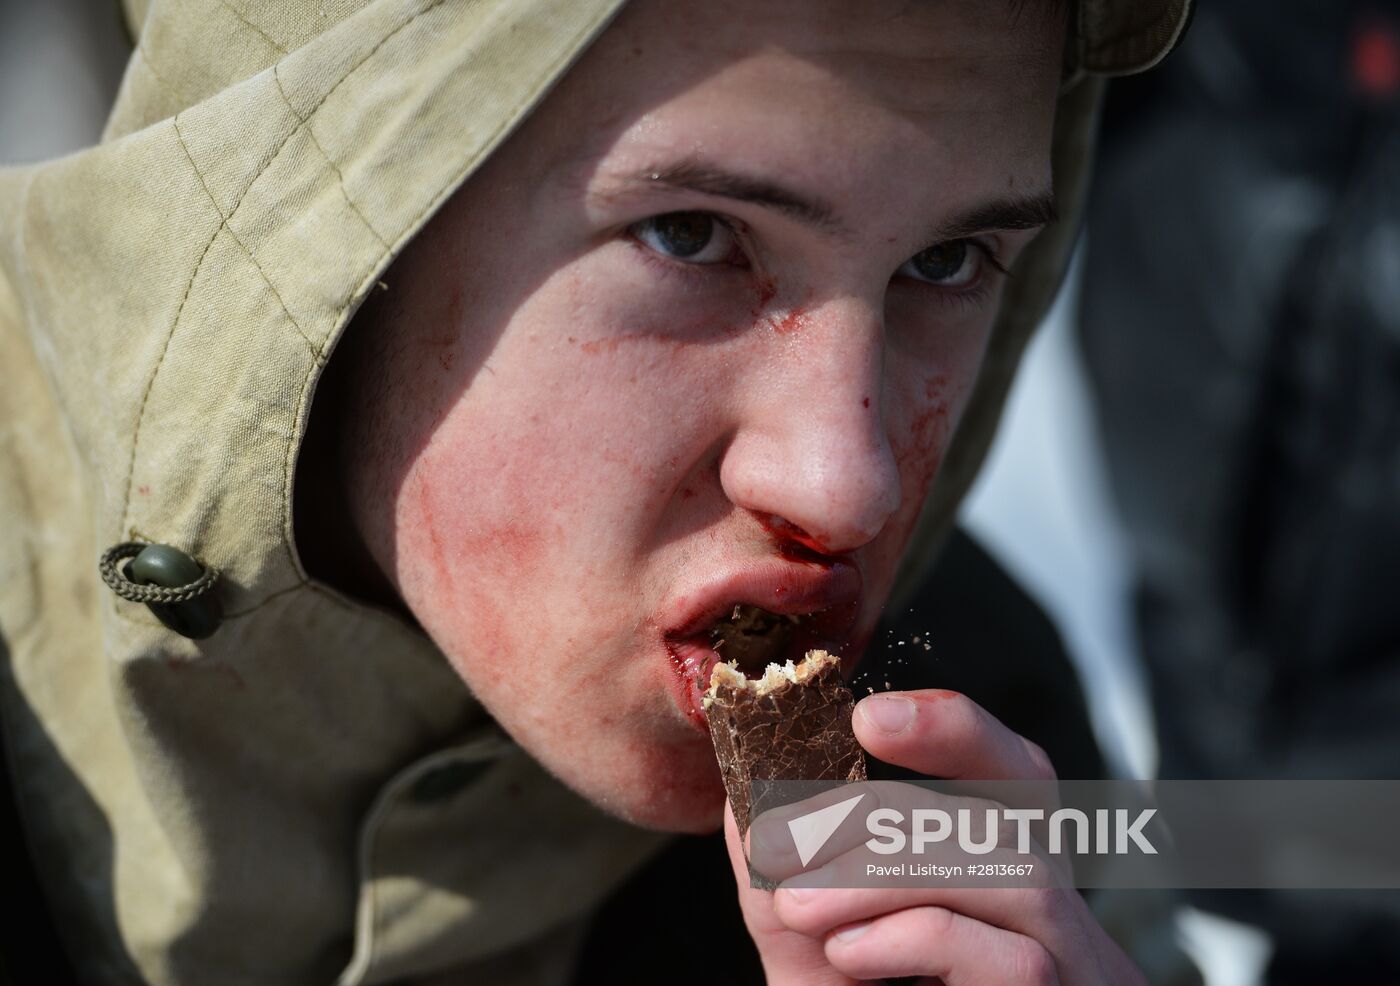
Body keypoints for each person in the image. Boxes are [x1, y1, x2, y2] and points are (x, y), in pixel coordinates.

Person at [0, 0, 1191, 982]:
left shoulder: (966, 751)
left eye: (945, 261)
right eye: (688, 234)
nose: (845, 485)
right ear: (330, 234)